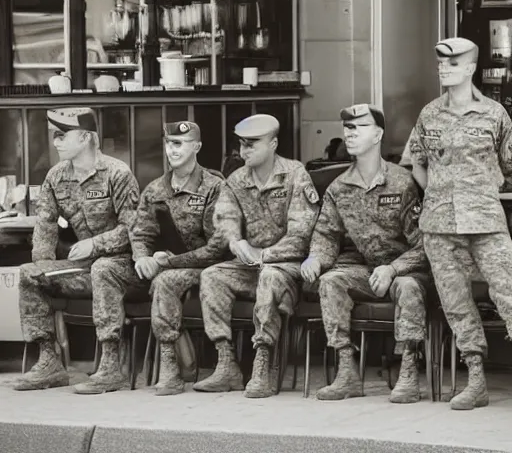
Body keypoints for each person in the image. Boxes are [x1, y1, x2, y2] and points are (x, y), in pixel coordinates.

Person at [301, 103, 430, 403]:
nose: (350, 133)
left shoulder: (403, 182)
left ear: (378, 135)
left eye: (358, 127)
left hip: (405, 272)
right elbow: (326, 235)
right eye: (347, 128)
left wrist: (393, 270)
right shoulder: (338, 187)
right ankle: (346, 370)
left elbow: (425, 244)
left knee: (409, 287)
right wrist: (315, 258)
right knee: (332, 281)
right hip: (366, 272)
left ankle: (408, 368)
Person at [409, 37, 512, 410]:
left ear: (470, 69)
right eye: (440, 64)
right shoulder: (428, 114)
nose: (443, 69)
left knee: (508, 293)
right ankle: (476, 379)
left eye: (451, 65)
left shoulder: (495, 114)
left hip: (485, 221)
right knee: (456, 304)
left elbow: (509, 164)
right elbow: (417, 161)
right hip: (440, 226)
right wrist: (436, 190)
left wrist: (483, 188)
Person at [14, 107, 144, 395]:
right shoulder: (56, 177)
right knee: (29, 274)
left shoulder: (117, 173)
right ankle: (49, 362)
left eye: (62, 135)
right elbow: (45, 227)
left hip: (124, 268)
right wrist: (43, 268)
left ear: (85, 137)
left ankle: (111, 366)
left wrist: (95, 244)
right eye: (54, 136)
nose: (56, 141)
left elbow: (134, 229)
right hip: (85, 268)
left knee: (103, 268)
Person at [193, 114, 320, 398]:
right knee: (212, 275)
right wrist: (236, 242)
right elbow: (225, 216)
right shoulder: (236, 180)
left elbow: (302, 235)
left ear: (273, 143)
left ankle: (264, 361)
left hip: (286, 269)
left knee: (270, 276)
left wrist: (264, 254)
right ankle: (226, 363)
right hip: (249, 266)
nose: (245, 150)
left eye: (253, 144)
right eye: (242, 144)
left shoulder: (295, 174)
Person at [129, 121, 226, 396]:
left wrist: (168, 262)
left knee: (166, 280)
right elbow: (140, 232)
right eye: (169, 143)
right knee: (148, 276)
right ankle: (169, 365)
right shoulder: (155, 189)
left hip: (209, 267)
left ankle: (170, 366)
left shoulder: (214, 187)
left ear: (197, 146)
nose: (172, 150)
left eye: (179, 143)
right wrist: (142, 257)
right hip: (167, 264)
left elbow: (217, 248)